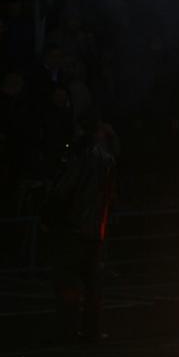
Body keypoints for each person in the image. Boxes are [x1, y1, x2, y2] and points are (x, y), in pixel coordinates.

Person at [42, 111, 118, 343]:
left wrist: (50, 215)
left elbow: (62, 190)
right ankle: (91, 330)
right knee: (93, 285)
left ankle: (68, 330)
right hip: (95, 229)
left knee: (68, 282)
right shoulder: (106, 159)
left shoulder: (78, 156)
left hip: (72, 228)